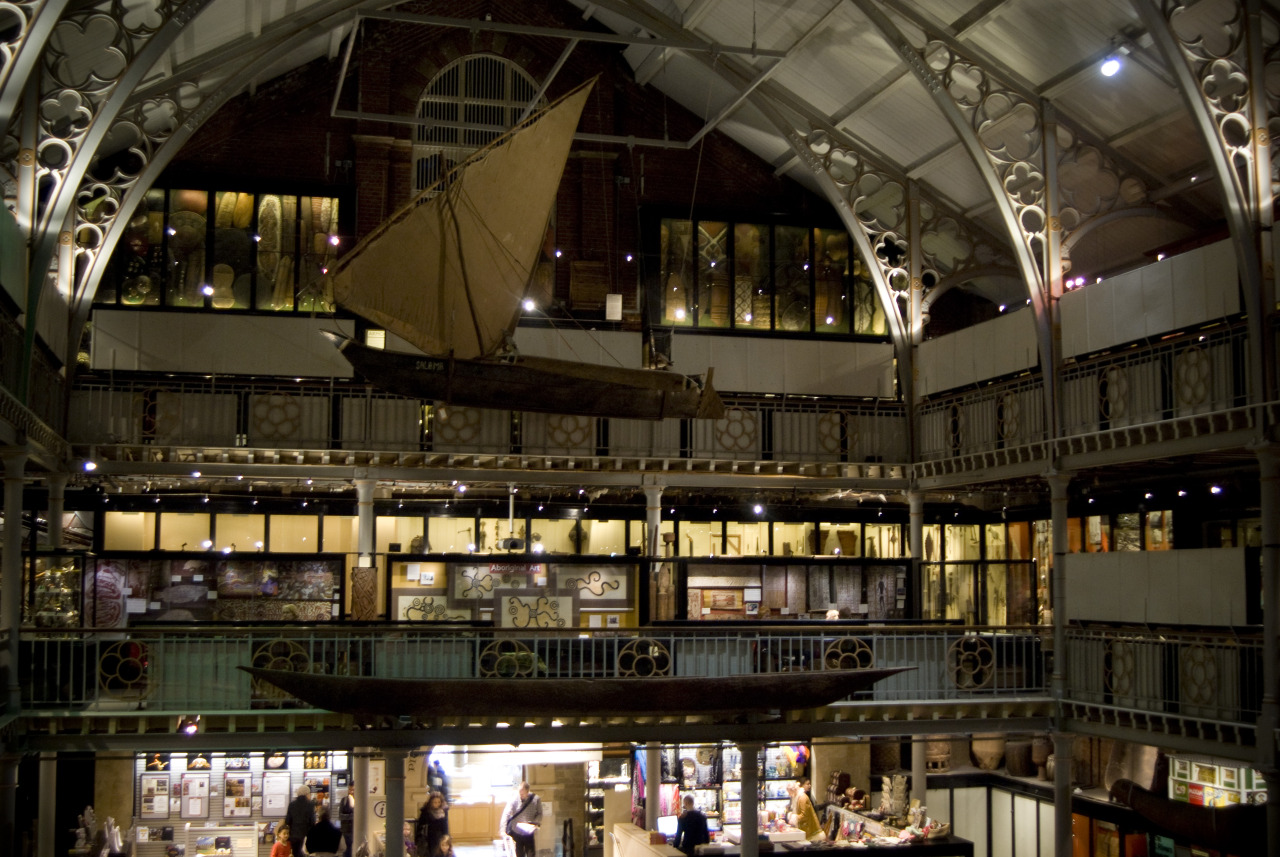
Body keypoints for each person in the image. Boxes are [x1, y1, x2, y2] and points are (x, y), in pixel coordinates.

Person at [499, 781, 542, 857]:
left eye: (522, 794)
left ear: (528, 792)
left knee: (531, 853)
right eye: (519, 793)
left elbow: (539, 813)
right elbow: (506, 814)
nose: (520, 796)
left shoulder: (536, 799)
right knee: (519, 854)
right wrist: (503, 830)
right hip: (516, 831)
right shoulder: (514, 799)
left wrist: (535, 823)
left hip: (529, 832)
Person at [414, 791, 449, 857]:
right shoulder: (426, 811)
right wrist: (417, 840)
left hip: (440, 837)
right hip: (428, 838)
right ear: (431, 802)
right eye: (435, 802)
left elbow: (445, 826)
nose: (437, 804)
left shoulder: (444, 811)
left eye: (439, 802)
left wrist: (446, 837)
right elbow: (420, 826)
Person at [286, 785, 315, 856]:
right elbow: (312, 821)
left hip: (294, 837)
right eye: (309, 794)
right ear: (306, 794)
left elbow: (287, 821)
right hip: (305, 837)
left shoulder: (291, 804)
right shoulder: (310, 804)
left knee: (295, 854)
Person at [338, 782, 356, 857]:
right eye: (349, 789)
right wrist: (352, 816)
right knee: (347, 850)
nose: (351, 792)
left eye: (353, 790)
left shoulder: (361, 801)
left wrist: (347, 816)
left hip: (356, 830)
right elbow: (340, 816)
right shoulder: (344, 800)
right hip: (346, 831)